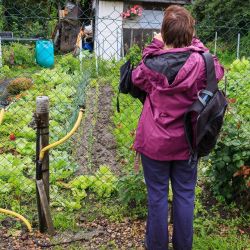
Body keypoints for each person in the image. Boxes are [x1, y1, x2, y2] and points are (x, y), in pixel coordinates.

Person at [131, 5, 224, 250]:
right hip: (188, 141)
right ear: (191, 33)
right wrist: (197, 45)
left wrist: (154, 46)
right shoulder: (202, 62)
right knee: (185, 196)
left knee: (157, 197)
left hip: (155, 144)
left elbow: (135, 78)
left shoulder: (151, 64)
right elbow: (218, 71)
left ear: (163, 33)